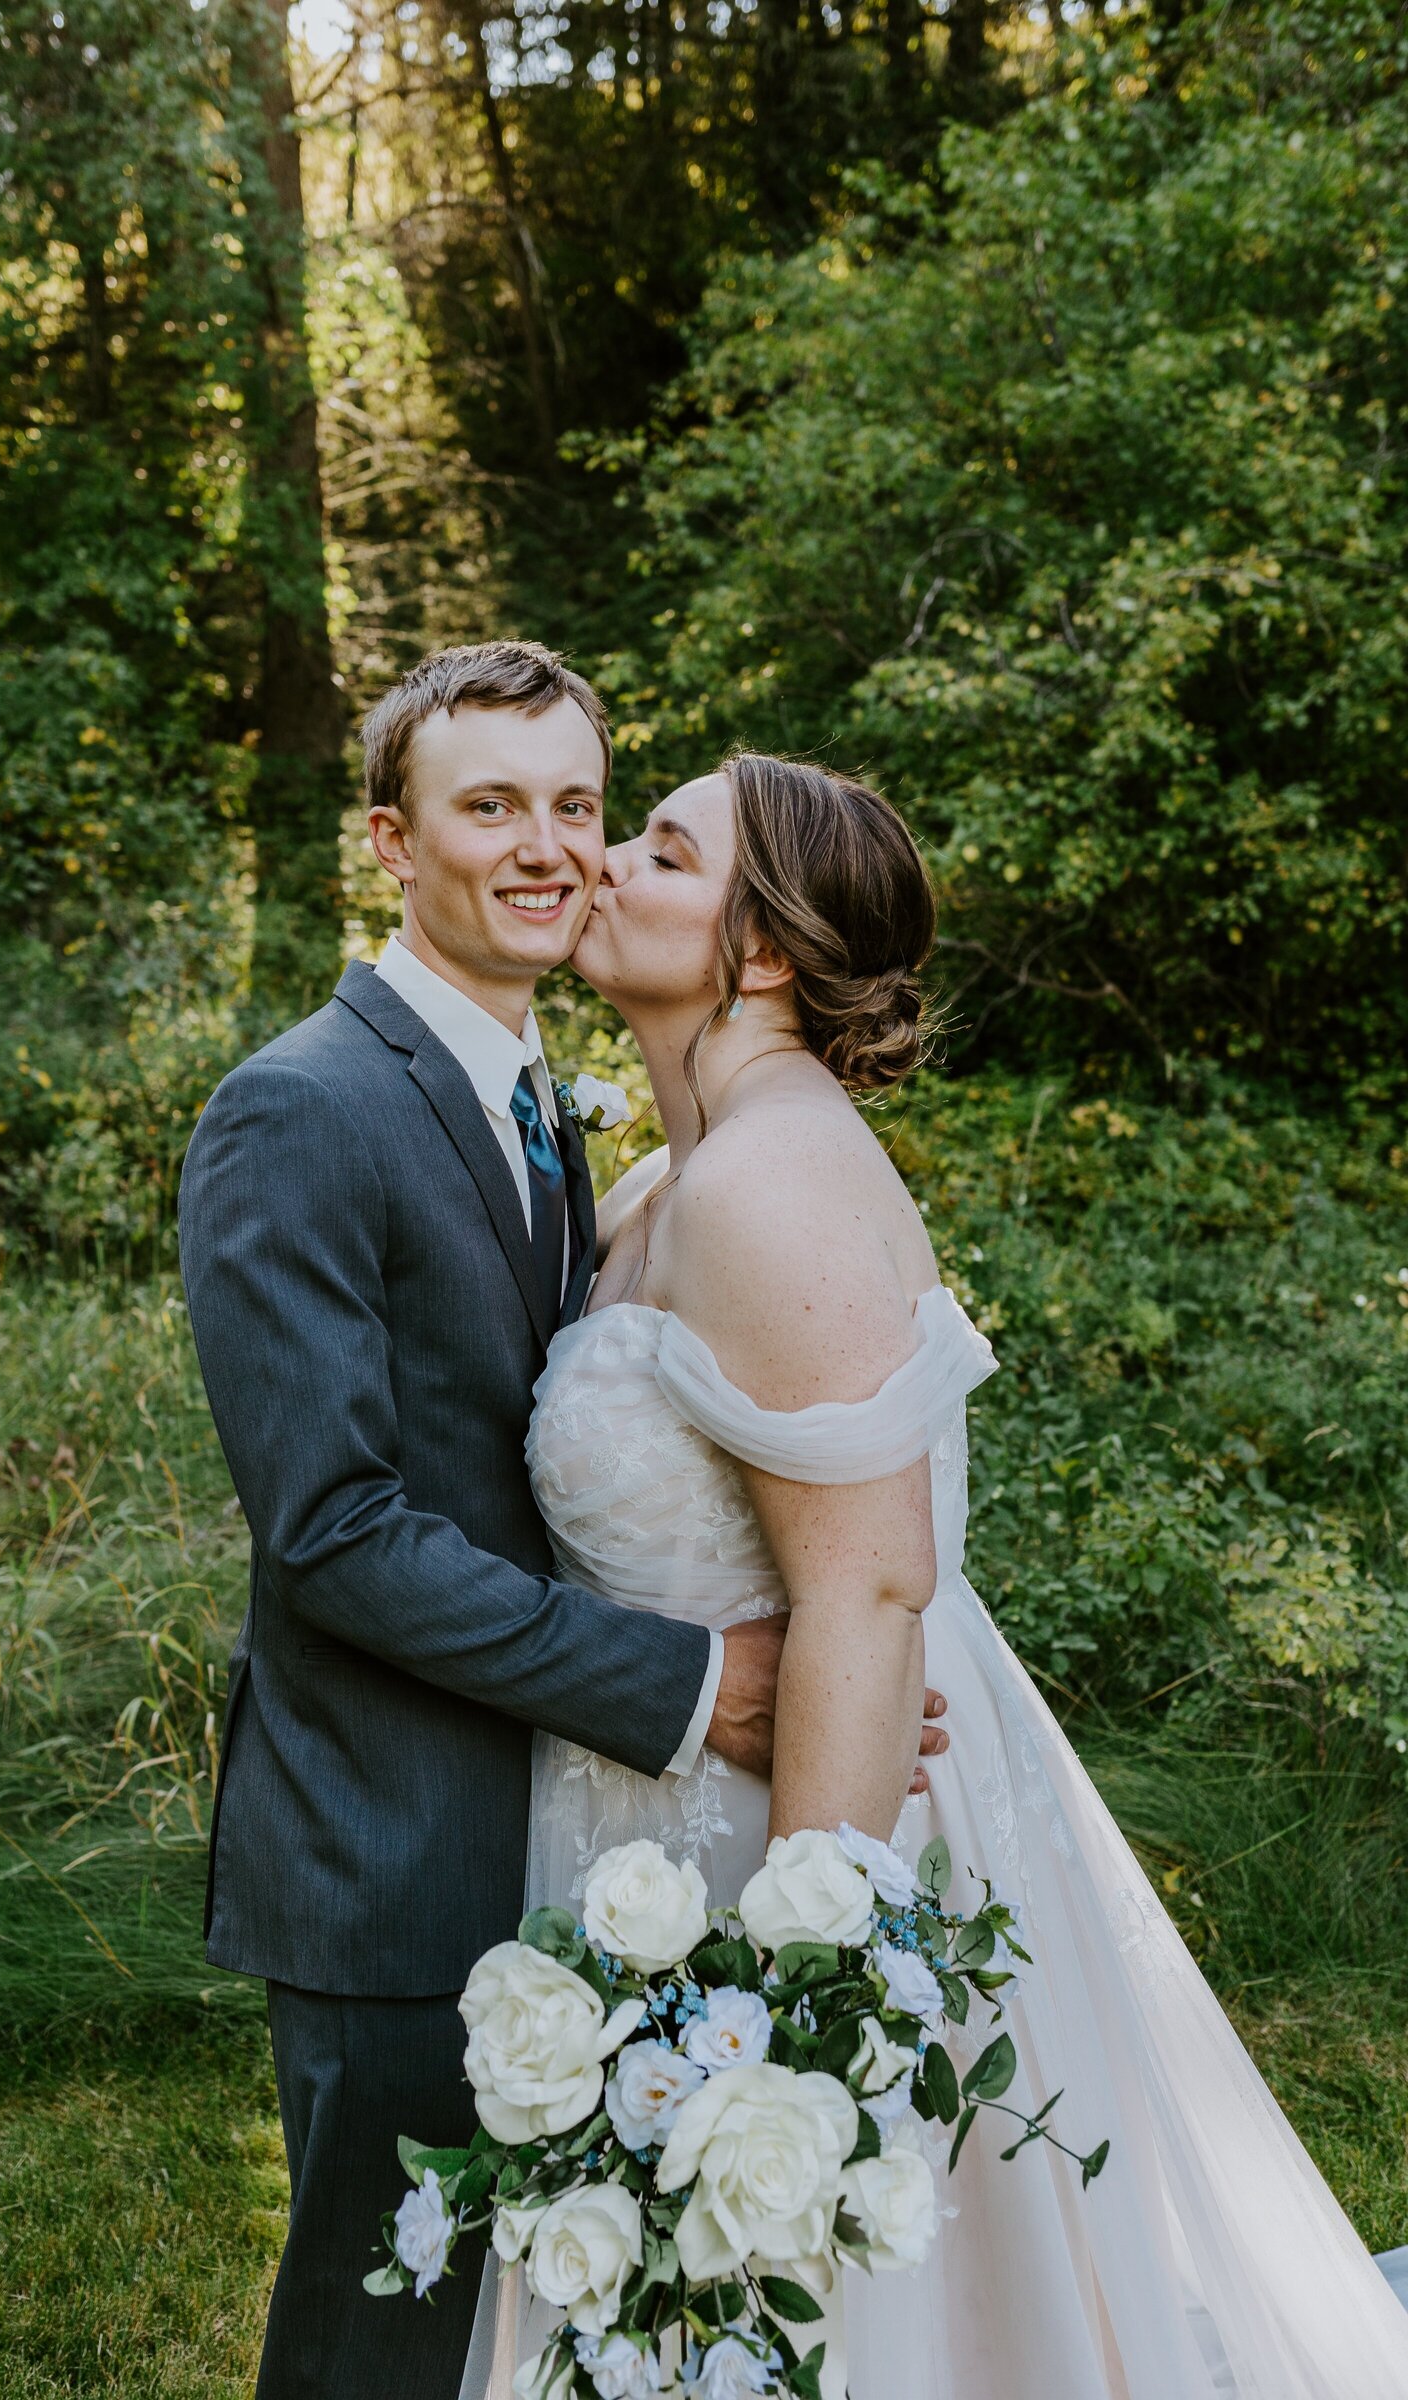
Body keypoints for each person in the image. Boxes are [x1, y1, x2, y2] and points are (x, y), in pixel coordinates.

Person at [466, 750, 1408, 2398]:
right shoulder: (668, 1174)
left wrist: (799, 2023)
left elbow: (869, 1588)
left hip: (810, 1821)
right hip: (662, 1796)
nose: (603, 861)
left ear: (760, 950)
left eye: (663, 850)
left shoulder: (771, 1181)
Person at [176, 647, 946, 2400]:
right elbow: (337, 1532)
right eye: (491, 806)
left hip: (578, 1848)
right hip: (394, 1851)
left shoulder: (567, 1116)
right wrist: (694, 1688)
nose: (554, 850)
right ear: (392, 838)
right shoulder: (299, 1109)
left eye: (584, 809)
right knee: (378, 2352)